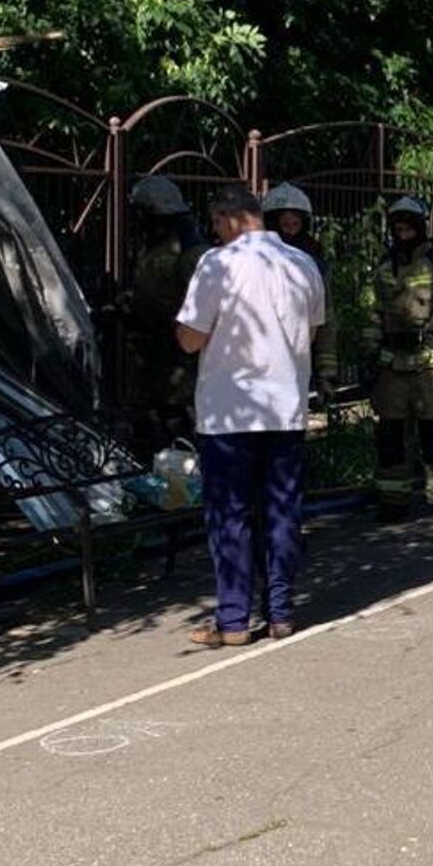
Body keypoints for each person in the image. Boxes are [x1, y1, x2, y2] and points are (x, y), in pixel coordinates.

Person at [176, 184, 326, 647]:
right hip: (285, 409)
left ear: (229, 218)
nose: (215, 232)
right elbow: (315, 331)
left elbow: (189, 338)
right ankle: (280, 613)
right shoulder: (303, 264)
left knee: (231, 516)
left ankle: (234, 621)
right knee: (282, 511)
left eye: (217, 223)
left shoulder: (217, 264)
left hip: (229, 413)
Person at [361, 196, 433, 522]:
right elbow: (372, 316)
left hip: (429, 365)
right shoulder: (383, 269)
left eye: (409, 223)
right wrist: (368, 359)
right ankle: (394, 500)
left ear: (420, 226)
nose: (402, 229)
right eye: (397, 224)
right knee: (390, 436)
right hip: (391, 365)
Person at [119, 174, 208, 451]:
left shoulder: (190, 251)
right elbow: (152, 288)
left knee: (176, 422)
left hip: (178, 353)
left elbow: (201, 304)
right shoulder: (155, 246)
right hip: (150, 352)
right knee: (150, 420)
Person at [262, 182, 340, 405]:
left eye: (295, 219)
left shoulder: (313, 262)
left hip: (297, 358)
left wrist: (326, 374)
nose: (289, 224)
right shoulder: (255, 259)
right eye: (283, 219)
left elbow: (326, 320)